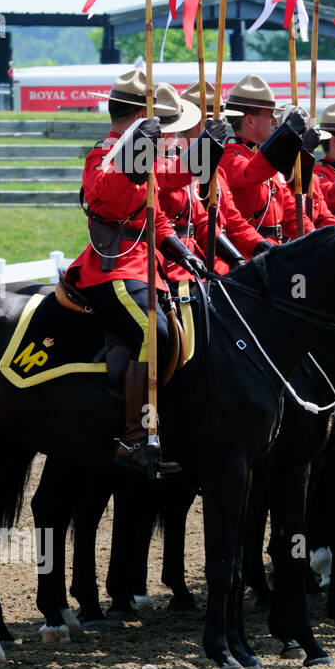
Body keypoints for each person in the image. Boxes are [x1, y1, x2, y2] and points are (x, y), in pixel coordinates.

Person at [63, 69, 205, 474]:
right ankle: (134, 437)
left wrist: (183, 254)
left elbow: (158, 219)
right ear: (137, 117)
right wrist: (134, 155)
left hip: (148, 268)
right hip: (110, 269)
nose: (162, 133)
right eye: (154, 121)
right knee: (153, 332)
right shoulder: (102, 154)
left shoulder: (144, 158)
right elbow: (101, 194)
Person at [178, 81, 270, 261]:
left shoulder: (218, 173)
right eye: (219, 122)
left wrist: (269, 250)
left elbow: (235, 225)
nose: (225, 127)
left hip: (221, 265)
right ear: (202, 125)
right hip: (183, 267)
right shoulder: (173, 169)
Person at [215, 74, 310, 243]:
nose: (275, 121)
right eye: (270, 115)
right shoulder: (229, 156)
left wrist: (321, 239)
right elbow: (250, 173)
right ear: (250, 121)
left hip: (276, 251)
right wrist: (285, 134)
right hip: (247, 254)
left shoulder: (265, 160)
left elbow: (292, 216)